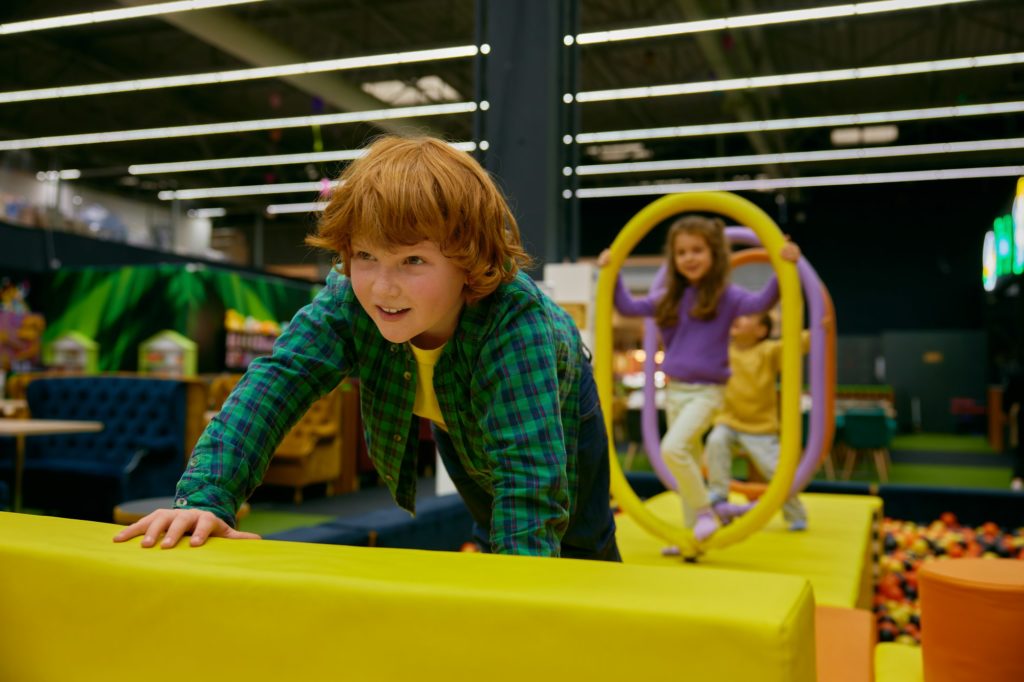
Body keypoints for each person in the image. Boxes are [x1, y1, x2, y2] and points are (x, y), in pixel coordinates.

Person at [114, 135, 620, 561]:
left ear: (469, 259)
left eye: (414, 261)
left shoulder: (516, 326)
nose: (382, 287)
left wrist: (519, 600)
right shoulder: (347, 301)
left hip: (558, 407)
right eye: (366, 256)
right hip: (457, 412)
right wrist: (206, 497)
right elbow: (275, 383)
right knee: (490, 520)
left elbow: (531, 481)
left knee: (579, 539)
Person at [598, 216, 799, 547]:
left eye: (697, 250)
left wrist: (782, 265)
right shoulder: (670, 297)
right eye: (682, 252)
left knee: (672, 449)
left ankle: (707, 512)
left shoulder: (727, 297)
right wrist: (613, 270)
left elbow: (762, 303)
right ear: (673, 259)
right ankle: (692, 535)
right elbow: (627, 306)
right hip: (675, 390)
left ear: (714, 254)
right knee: (685, 458)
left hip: (707, 392)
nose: (689, 258)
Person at [704, 312, 810, 532]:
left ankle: (795, 513)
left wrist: (817, 330)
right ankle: (719, 493)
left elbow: (796, 344)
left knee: (776, 471)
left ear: (761, 330)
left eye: (746, 317)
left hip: (760, 426)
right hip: (729, 420)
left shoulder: (766, 351)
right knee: (715, 442)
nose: (737, 318)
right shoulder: (724, 350)